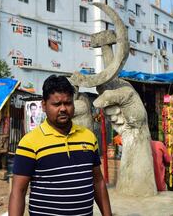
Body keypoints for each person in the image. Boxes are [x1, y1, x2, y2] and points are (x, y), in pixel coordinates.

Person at [9, 75, 112, 216]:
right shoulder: (30, 142)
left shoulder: (88, 137)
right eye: (56, 104)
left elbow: (98, 181)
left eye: (68, 103)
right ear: (44, 105)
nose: (63, 109)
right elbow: (18, 192)